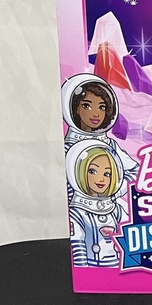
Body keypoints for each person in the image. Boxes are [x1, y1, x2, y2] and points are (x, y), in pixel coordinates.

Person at [61, 74, 138, 201]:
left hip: (109, 207)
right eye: (87, 106)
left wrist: (114, 190)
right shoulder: (66, 148)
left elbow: (135, 170)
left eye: (102, 107)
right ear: (75, 107)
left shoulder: (110, 144)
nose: (96, 114)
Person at [66, 139, 125, 267]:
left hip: (119, 266)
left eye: (107, 174)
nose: (101, 179)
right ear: (78, 171)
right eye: (92, 171)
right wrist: (84, 272)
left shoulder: (115, 209)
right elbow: (78, 246)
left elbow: (130, 233)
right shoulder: (78, 212)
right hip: (93, 266)